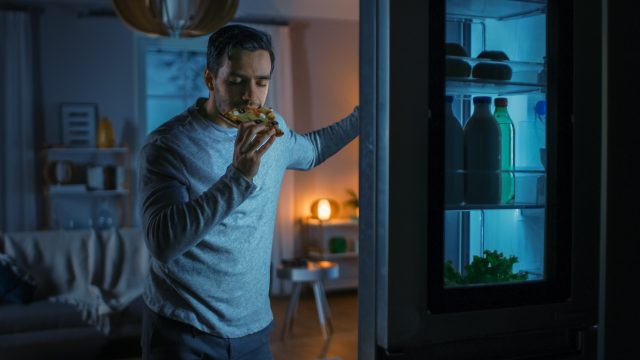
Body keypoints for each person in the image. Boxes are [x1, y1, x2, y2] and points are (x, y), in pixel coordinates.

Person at [137, 24, 359, 359]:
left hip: (253, 330)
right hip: (183, 332)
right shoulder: (167, 146)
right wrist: (239, 177)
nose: (250, 96)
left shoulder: (273, 129)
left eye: (261, 82)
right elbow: (163, 243)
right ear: (211, 79)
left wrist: (364, 115)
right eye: (237, 80)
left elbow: (311, 150)